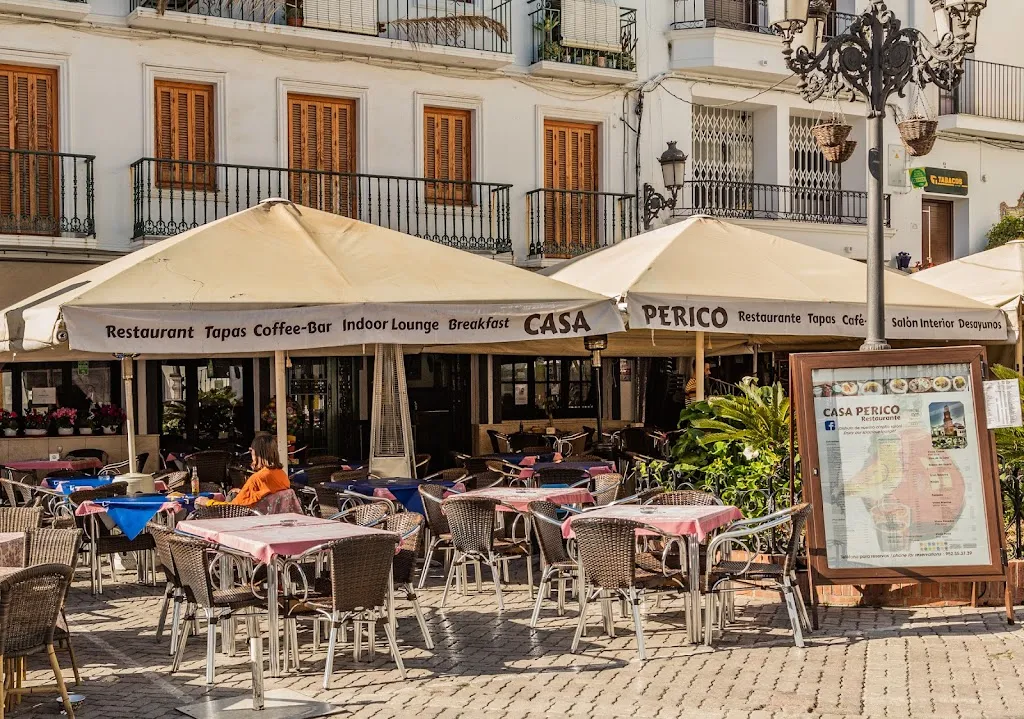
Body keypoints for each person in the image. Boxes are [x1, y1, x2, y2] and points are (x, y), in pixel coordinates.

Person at [197, 433, 289, 507]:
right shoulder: (281, 474)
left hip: (245, 520)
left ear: (256, 453)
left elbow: (232, 508)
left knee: (197, 505)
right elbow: (264, 497)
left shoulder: (257, 479)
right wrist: (243, 493)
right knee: (233, 494)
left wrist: (208, 502)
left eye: (251, 450)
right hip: (269, 517)